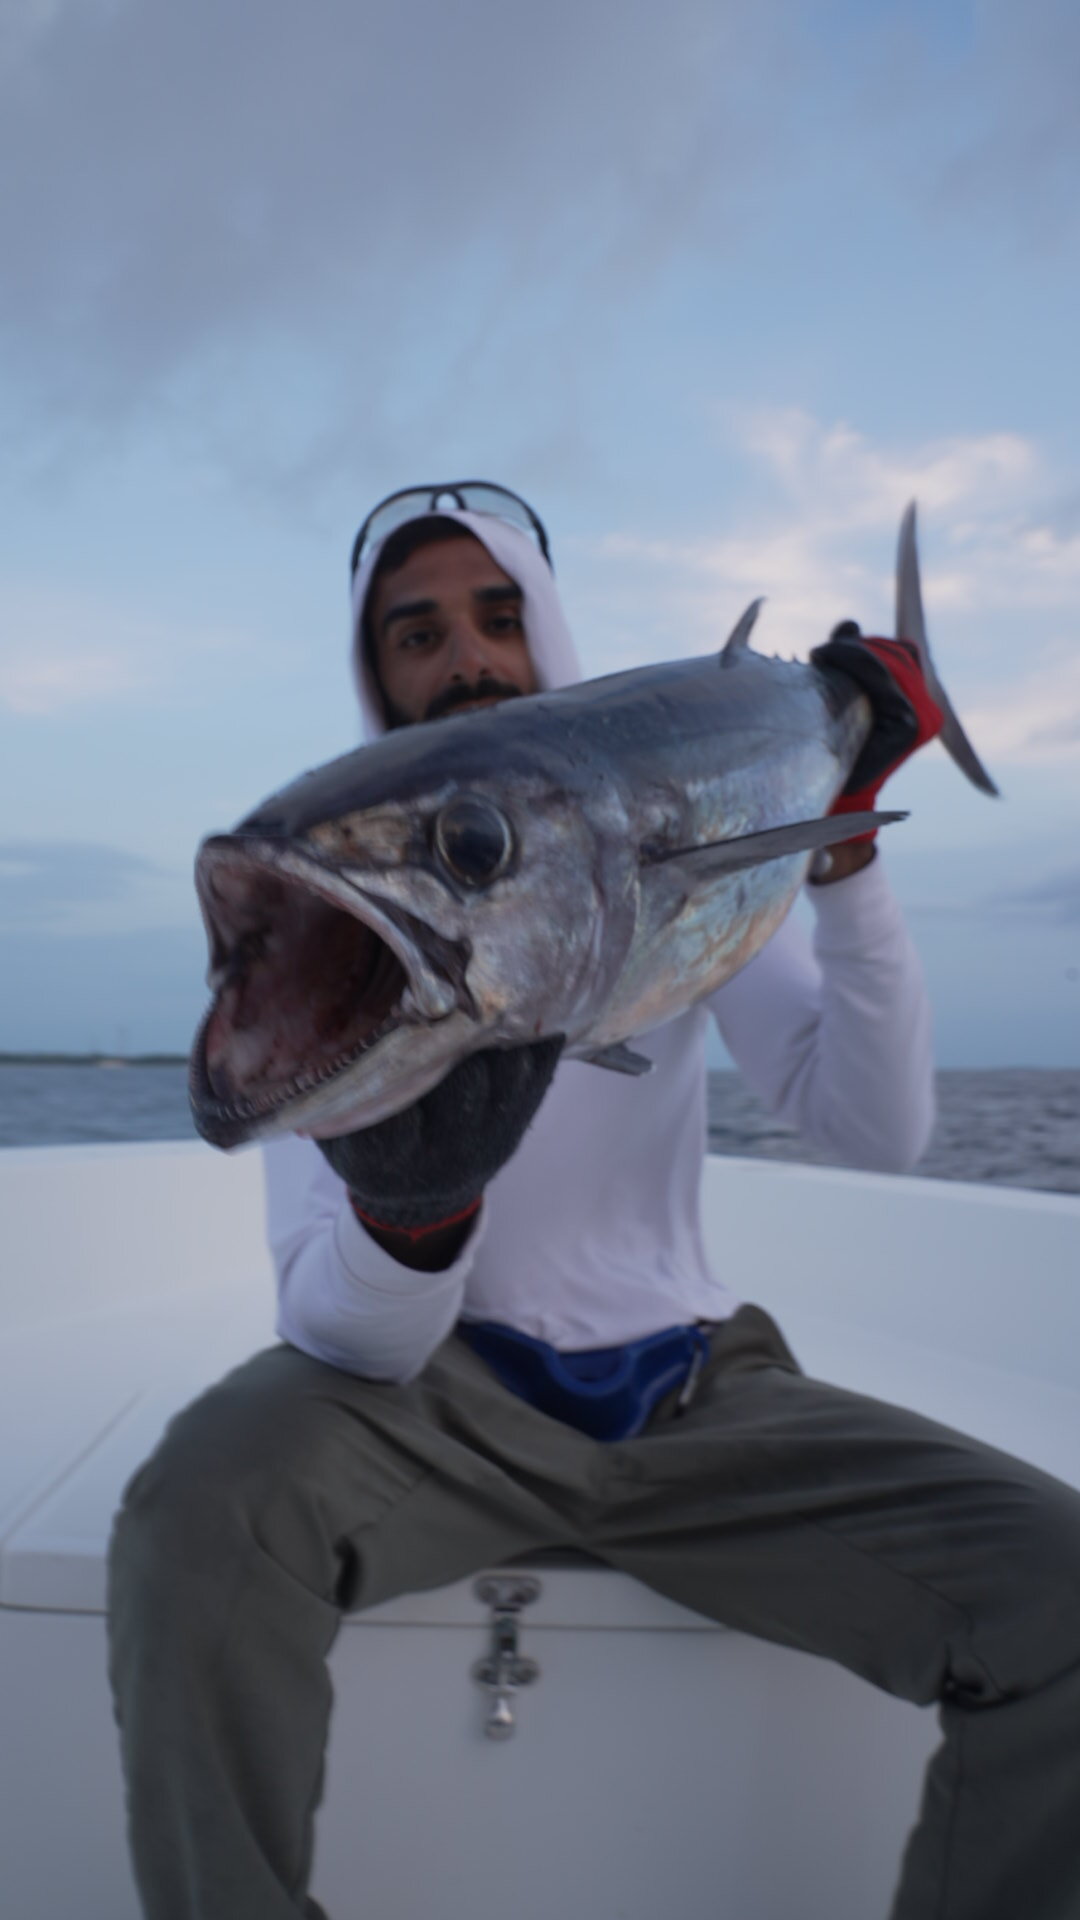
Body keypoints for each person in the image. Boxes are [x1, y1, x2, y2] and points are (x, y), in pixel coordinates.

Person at [108, 483, 1080, 1920]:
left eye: (499, 616)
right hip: (429, 1411)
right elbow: (348, 1336)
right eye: (417, 633)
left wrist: (844, 853)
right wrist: (415, 1215)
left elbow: (877, 1128)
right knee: (197, 1510)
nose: (466, 657)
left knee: (1063, 1589)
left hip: (696, 1396)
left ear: (550, 630)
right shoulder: (347, 937)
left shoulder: (666, 856)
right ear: (376, 672)